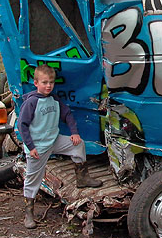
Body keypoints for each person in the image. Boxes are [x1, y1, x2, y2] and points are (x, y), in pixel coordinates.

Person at [18, 64, 102, 229]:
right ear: (36, 83)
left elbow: (67, 115)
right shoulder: (31, 103)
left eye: (51, 82)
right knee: (32, 180)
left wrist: (74, 132)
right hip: (38, 147)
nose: (48, 85)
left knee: (78, 145)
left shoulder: (54, 99)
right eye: (44, 82)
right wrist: (30, 146)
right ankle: (28, 212)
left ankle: (82, 178)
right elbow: (22, 125)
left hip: (53, 140)